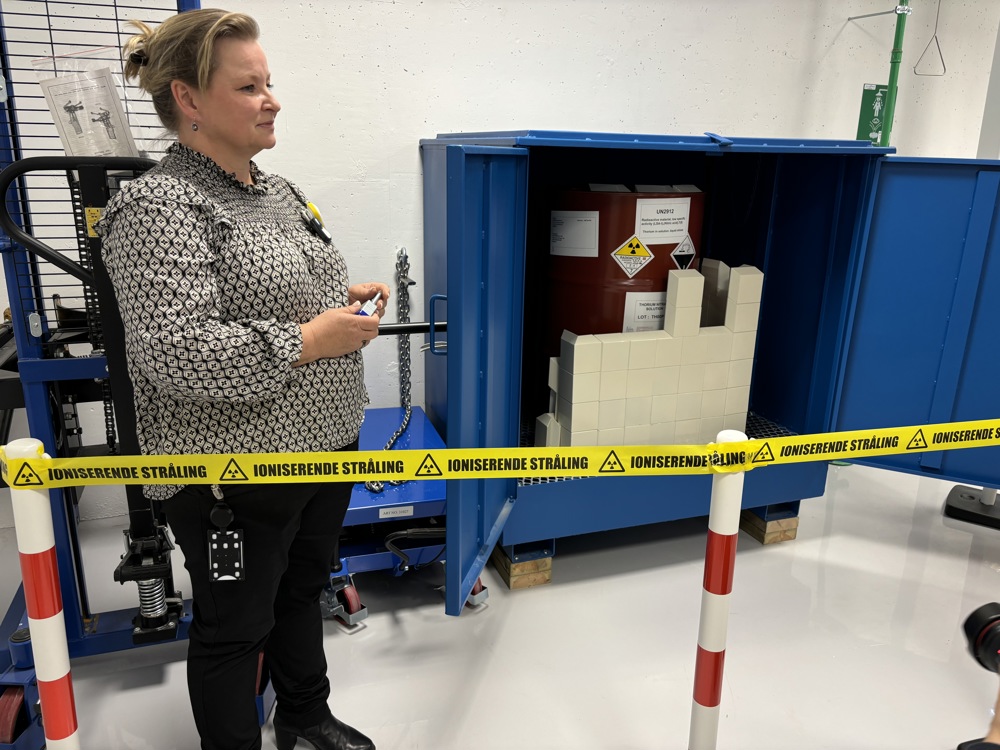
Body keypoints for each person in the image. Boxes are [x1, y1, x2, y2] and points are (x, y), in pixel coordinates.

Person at [96, 8, 387, 750]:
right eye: (249, 85)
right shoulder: (156, 206)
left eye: (270, 82)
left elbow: (277, 295)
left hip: (324, 443)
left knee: (301, 590)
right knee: (234, 629)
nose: (272, 98)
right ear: (190, 100)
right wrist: (307, 338)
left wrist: (335, 306)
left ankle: (305, 716)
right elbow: (172, 350)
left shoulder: (278, 191)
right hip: (237, 470)